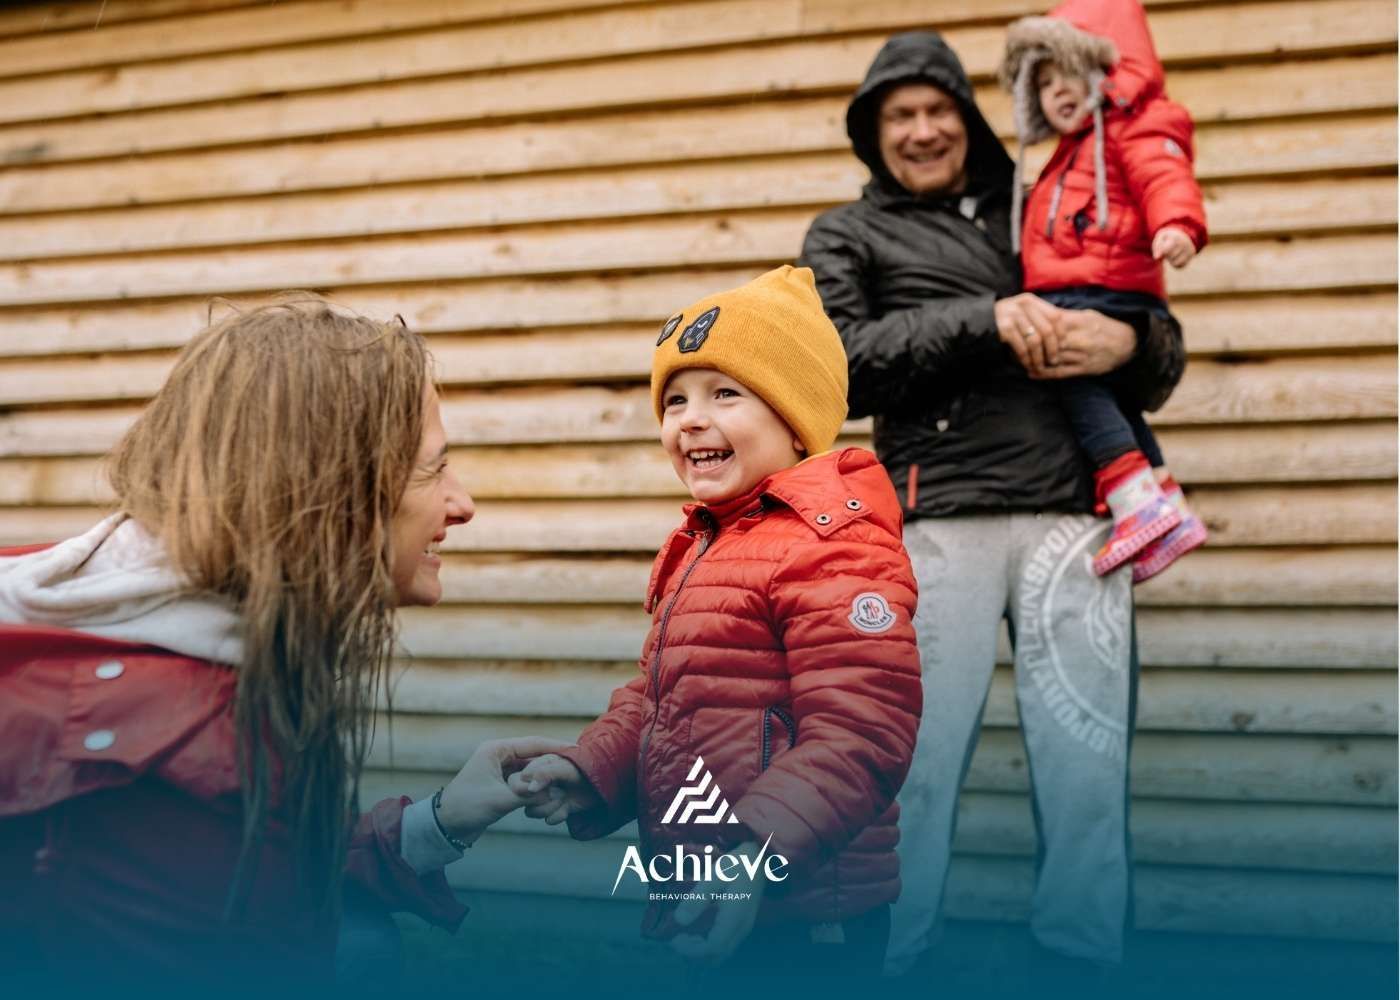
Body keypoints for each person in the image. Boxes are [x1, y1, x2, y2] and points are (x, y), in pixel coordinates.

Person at [0, 296, 565, 983]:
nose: (462, 503)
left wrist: (439, 822)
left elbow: (267, 875)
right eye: (430, 469)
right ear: (324, 489)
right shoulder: (192, 759)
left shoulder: (108, 603)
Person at [798, 30, 1187, 975]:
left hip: (1076, 517)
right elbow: (838, 367)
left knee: (1086, 763)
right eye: (900, 117)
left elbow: (1154, 331)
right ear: (872, 134)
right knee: (913, 765)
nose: (924, 130)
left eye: (939, 110)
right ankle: (894, 959)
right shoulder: (844, 235)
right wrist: (985, 319)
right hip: (935, 523)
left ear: (968, 119)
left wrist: (1128, 350)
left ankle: (1084, 959)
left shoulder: (1044, 201)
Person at [512, 266, 923, 978]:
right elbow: (661, 698)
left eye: (724, 393)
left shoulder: (835, 545)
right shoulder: (708, 541)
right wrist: (592, 769)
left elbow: (862, 731)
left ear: (795, 421)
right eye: (673, 401)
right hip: (708, 888)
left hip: (804, 911)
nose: (690, 419)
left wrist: (756, 856)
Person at [1000, 0, 1209, 581]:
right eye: (1043, 81)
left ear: (1110, 70)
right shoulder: (1070, 149)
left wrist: (1177, 226)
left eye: (1071, 71)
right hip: (1093, 286)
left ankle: (1133, 500)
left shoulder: (1135, 125)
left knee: (1076, 385)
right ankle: (1165, 500)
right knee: (1114, 401)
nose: (1058, 90)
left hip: (1105, 289)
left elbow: (1164, 175)